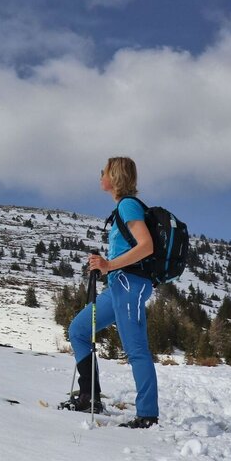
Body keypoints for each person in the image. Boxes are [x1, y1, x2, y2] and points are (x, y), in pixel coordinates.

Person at [62, 157, 159, 429]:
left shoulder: (128, 205)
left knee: (136, 349)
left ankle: (148, 415)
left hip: (130, 285)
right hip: (117, 285)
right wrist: (105, 266)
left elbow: (147, 246)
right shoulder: (122, 209)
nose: (100, 176)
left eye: (103, 172)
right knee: (79, 330)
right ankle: (89, 396)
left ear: (114, 177)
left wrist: (109, 265)